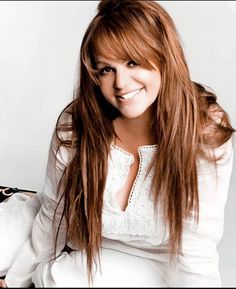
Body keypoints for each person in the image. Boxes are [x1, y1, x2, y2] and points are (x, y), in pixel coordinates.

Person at [0, 0, 235, 287]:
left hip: (151, 263)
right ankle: (17, 202)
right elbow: (53, 215)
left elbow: (196, 251)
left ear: (163, 56)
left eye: (132, 62)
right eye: (105, 70)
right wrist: (13, 281)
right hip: (72, 229)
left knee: (61, 280)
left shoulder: (204, 129)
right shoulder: (76, 124)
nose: (121, 83)